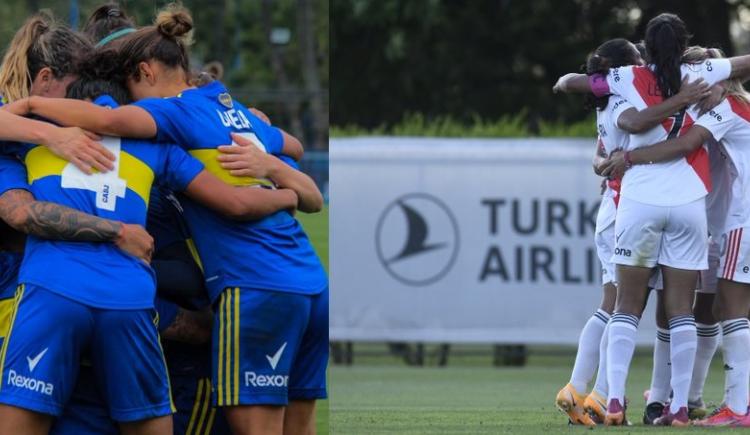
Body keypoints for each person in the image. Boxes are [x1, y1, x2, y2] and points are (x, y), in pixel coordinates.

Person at [13, 4, 329, 433]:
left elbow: (106, 121)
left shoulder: (167, 116)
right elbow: (289, 147)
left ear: (144, 71)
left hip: (247, 284)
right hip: (301, 280)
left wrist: (33, 109)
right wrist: (275, 170)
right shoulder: (212, 120)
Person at [552, 13, 750, 426]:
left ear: (645, 45)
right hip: (689, 203)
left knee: (624, 306)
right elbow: (741, 64)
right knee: (681, 311)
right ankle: (678, 405)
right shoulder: (700, 71)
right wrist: (702, 87)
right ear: (683, 44)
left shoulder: (624, 77)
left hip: (638, 199)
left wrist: (580, 83)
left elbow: (580, 89)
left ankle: (614, 400)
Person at [600, 46, 750, 427]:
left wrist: (629, 159)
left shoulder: (724, 111)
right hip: (710, 224)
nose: (696, 86)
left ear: (718, 80)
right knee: (701, 311)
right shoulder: (701, 110)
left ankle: (734, 405)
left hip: (731, 222)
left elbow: (684, 144)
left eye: (703, 78)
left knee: (719, 309)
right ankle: (682, 398)